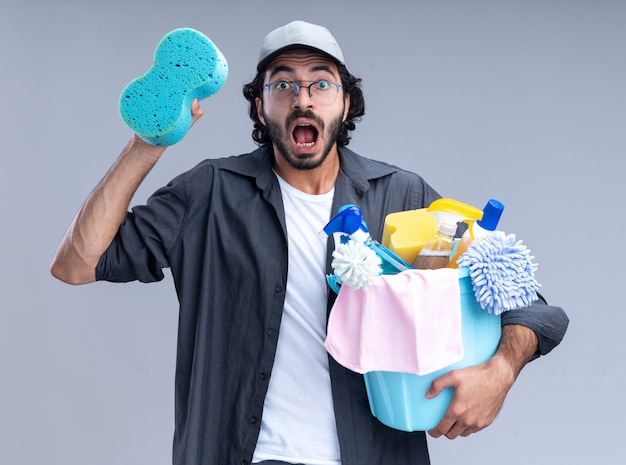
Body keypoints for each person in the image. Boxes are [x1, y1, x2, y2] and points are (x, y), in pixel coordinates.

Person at [51, 20, 568, 465]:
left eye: (321, 84)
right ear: (259, 107)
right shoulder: (209, 193)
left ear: (345, 102)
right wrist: (148, 143)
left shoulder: (404, 198)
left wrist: (499, 372)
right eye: (283, 85)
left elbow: (528, 303)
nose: (303, 99)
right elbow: (77, 264)